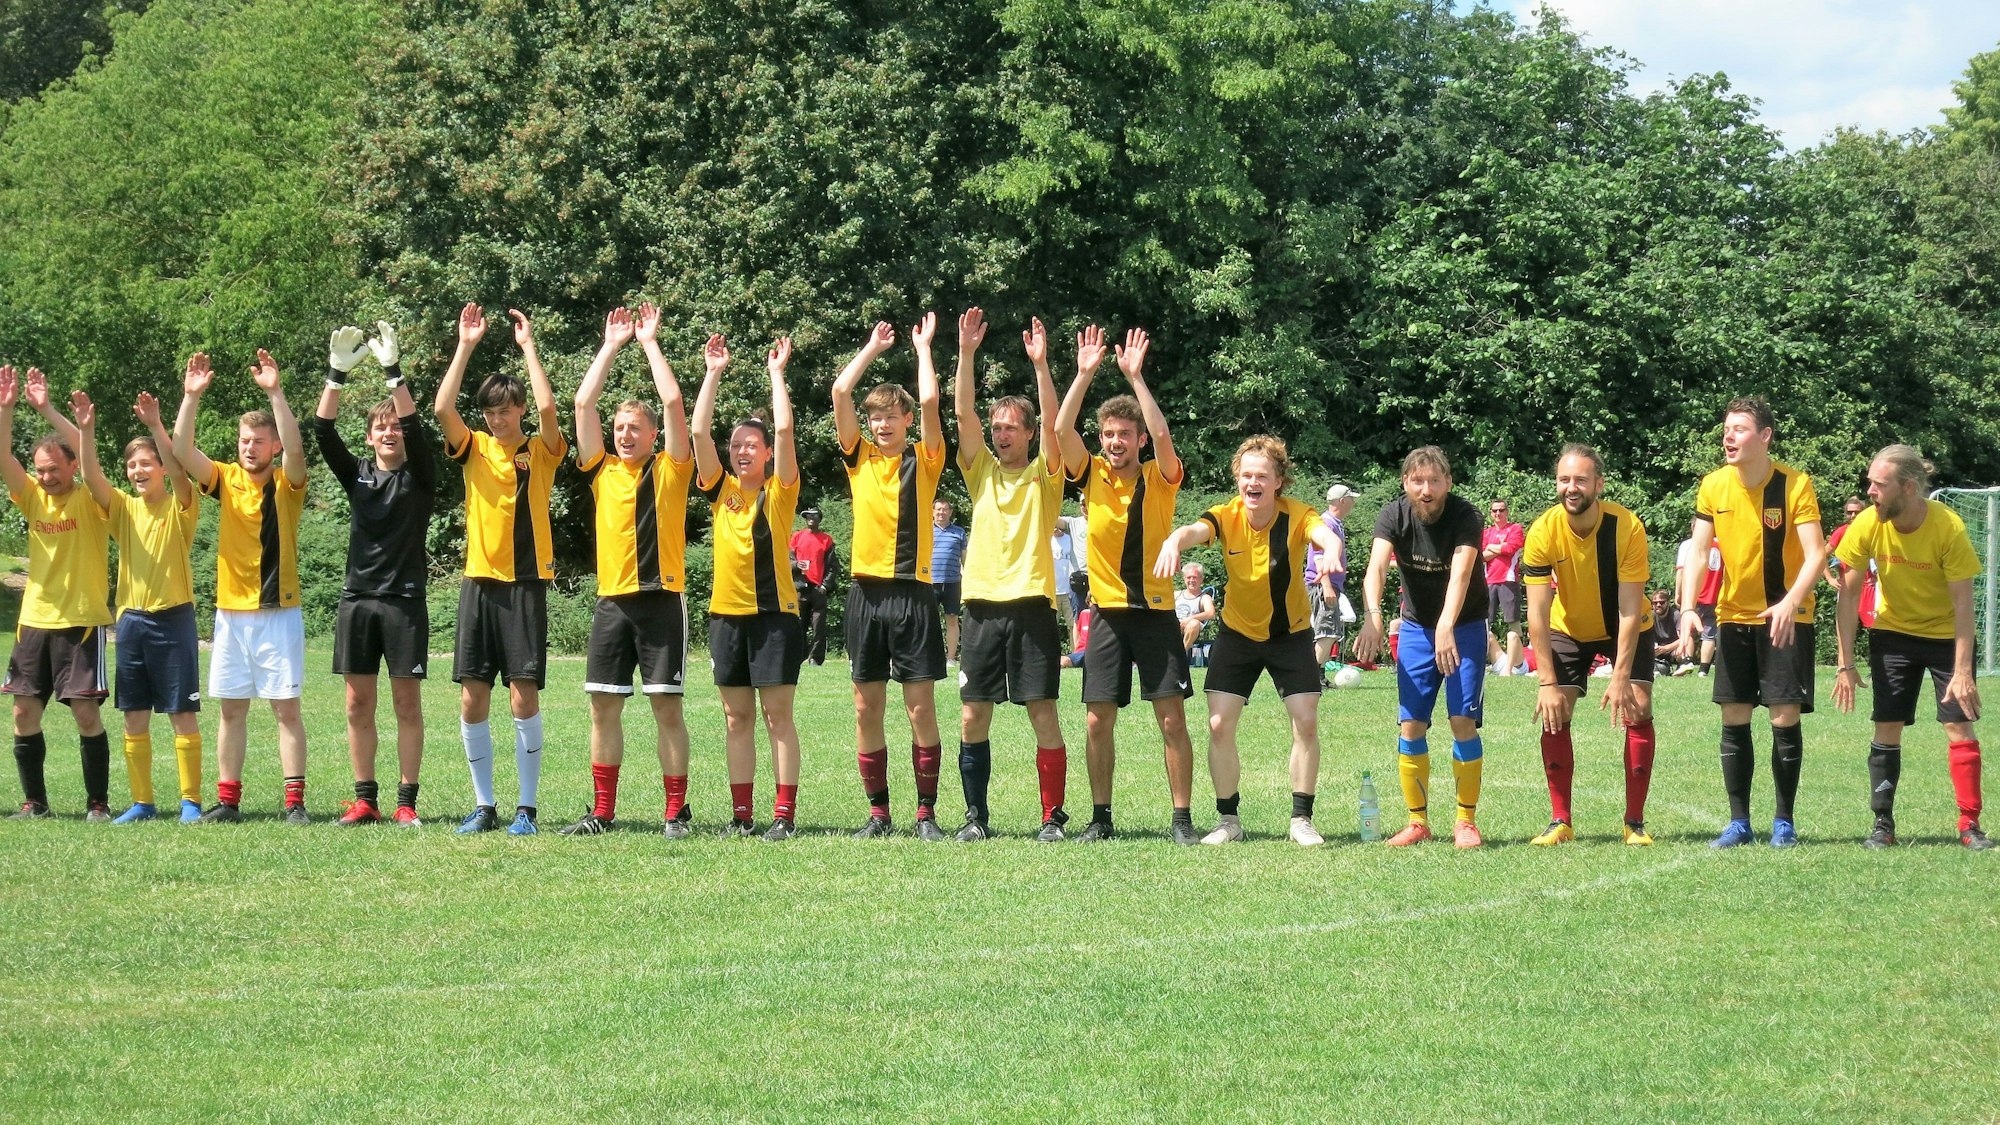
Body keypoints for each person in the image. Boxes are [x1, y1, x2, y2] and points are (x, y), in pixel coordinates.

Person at [1155, 436, 1345, 847]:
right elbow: (1195, 529)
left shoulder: (1298, 515)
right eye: (1246, 476)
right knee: (1219, 724)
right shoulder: (1227, 516)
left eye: (1262, 476)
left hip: (1290, 634)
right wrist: (1173, 540)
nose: (1252, 483)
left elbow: (1324, 534)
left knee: (1306, 722)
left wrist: (1332, 549)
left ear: (1279, 481)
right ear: (1237, 480)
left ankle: (1301, 819)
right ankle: (1228, 819)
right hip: (1237, 634)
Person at [1055, 325, 1199, 845]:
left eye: (1124, 435)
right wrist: (1084, 371)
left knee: (1171, 720)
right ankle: (1101, 817)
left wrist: (1135, 378)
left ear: (1137, 439)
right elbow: (1060, 428)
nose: (1115, 443)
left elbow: (1163, 437)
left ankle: (1181, 820)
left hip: (1157, 614)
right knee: (1097, 722)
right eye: (1108, 435)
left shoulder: (1160, 478)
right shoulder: (1090, 473)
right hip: (1109, 616)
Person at [561, 305, 695, 838]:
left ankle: (675, 812)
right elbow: (581, 402)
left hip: (661, 599)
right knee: (603, 711)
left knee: (666, 709)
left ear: (653, 434)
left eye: (634, 428)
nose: (623, 435)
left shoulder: (671, 468)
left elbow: (673, 400)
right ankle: (602, 811)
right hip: (612, 602)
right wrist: (611, 344)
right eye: (618, 428)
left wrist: (649, 343)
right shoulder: (603, 470)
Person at [434, 303, 566, 836]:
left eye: (505, 409)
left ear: (519, 411)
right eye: (490, 411)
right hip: (479, 584)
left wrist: (528, 346)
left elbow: (551, 407)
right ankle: (484, 805)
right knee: (472, 694)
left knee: (522, 692)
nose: (497, 417)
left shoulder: (542, 448)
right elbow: (443, 408)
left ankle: (527, 809)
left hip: (526, 584)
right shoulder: (476, 449)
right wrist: (465, 345)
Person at [1676, 396, 1826, 849]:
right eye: (1726, 428)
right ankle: (1738, 821)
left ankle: (1784, 821)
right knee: (1734, 714)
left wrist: (1790, 602)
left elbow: (1817, 554)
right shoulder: (1713, 486)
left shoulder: (1796, 485)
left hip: (1787, 617)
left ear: (1765, 437)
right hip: (1733, 617)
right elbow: (1699, 552)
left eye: (1739, 428)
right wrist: (1687, 609)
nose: (1728, 436)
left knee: (1783, 715)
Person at [947, 308, 1070, 842]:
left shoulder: (1046, 476)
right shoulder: (980, 472)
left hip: (1031, 605)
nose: (999, 434)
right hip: (979, 607)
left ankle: (1052, 819)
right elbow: (963, 412)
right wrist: (967, 353)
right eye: (996, 428)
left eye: (1008, 428)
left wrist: (1041, 367)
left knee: (1041, 711)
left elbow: (1053, 423)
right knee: (973, 717)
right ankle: (976, 819)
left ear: (1026, 434)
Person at [173, 348, 311, 824]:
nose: (249, 447)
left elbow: (296, 449)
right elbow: (181, 451)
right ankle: (228, 801)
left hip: (278, 613)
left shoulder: (287, 482)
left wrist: (276, 393)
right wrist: (190, 398)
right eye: (244, 440)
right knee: (231, 711)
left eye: (258, 440)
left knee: (285, 711)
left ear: (272, 446)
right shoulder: (226, 479)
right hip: (231, 614)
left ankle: (295, 804)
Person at [1831, 445, 1992, 850]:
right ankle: (1882, 825)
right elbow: (1847, 598)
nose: (1869, 491)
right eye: (1870, 482)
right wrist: (1845, 663)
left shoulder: (1948, 527)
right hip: (1893, 635)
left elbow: (1962, 604)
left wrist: (1962, 671)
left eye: (1878, 484)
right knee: (1887, 725)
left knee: (1959, 724)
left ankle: (1969, 825)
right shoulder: (1867, 523)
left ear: (1907, 487)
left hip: (1945, 637)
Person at [313, 321, 433, 827]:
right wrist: (336, 375)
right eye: (379, 428)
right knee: (357, 704)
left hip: (404, 601)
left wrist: (392, 373)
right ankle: (365, 799)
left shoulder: (421, 475)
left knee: (407, 704)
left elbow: (418, 430)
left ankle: (406, 804)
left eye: (395, 428)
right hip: (357, 599)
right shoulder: (357, 473)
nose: (389, 433)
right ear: (369, 437)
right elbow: (321, 431)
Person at [832, 317, 947, 839]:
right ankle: (879, 813)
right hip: (865, 595)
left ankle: (926, 813)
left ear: (905, 421)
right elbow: (839, 389)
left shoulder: (924, 460)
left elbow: (930, 405)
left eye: (890, 417)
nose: (881, 426)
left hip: (913, 595)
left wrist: (922, 348)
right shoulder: (859, 460)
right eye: (875, 418)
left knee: (919, 706)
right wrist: (872, 348)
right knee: (866, 706)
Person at [74, 382, 203, 824]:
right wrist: (85, 432)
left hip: (174, 619)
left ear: (160, 469)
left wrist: (155, 426)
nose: (137, 470)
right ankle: (144, 803)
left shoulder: (180, 505)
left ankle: (190, 802)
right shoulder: (124, 510)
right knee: (133, 717)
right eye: (131, 464)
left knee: (182, 713)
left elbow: (182, 472)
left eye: (146, 463)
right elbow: (91, 478)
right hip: (130, 622)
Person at [694, 332, 805, 840]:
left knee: (775, 715)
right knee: (736, 717)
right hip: (726, 616)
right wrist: (713, 373)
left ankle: (782, 815)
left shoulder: (780, 493)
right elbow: (697, 433)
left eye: (750, 446)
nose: (742, 452)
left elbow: (784, 430)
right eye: (736, 445)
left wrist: (777, 374)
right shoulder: (721, 491)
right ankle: (742, 816)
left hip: (774, 617)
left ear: (765, 454)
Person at [1521, 444, 1658, 846]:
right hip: (1568, 627)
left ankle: (1634, 823)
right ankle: (1560, 821)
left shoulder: (1627, 526)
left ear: (1598, 483)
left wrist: (1619, 678)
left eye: (1580, 479)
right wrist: (1546, 683)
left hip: (1625, 626)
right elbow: (1536, 614)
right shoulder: (1543, 530)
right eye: (1564, 480)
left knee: (1638, 703)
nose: (1571, 487)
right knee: (1555, 710)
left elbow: (1630, 611)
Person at [1354, 446, 1490, 849]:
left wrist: (1447, 624)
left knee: (1461, 721)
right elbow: (1376, 567)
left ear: (1448, 482)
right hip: (1415, 628)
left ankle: (1465, 821)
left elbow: (1462, 574)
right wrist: (1373, 615)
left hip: (1463, 625)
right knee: (1411, 723)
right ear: (1405, 483)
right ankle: (1418, 822)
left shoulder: (1467, 516)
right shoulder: (1393, 515)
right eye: (1418, 481)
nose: (1426, 490)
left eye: (1434, 481)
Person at [0, 367, 112, 821]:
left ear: (71, 468)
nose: (46, 478)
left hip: (82, 621)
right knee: (24, 714)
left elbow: (90, 462)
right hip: (35, 621)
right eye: (40, 470)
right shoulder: (31, 497)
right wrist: (7, 409)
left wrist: (49, 410)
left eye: (54, 470)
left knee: (86, 715)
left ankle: (97, 804)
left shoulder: (90, 499)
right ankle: (35, 803)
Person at [1308, 483, 1355, 676]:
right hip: (1322, 585)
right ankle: (1313, 677)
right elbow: (1319, 557)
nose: (1353, 503)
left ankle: (1317, 675)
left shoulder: (1335, 523)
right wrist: (1326, 586)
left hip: (1328, 585)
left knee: (1329, 631)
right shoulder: (1326, 524)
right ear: (1342, 501)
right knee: (1326, 631)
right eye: (1351, 499)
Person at [789, 507, 839, 666]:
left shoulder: (826, 540)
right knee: (799, 626)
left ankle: (815, 659)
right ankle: (799, 656)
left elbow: (832, 567)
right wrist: (797, 565)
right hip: (800, 588)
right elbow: (786, 562)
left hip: (818, 589)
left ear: (819, 518)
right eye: (808, 516)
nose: (811, 518)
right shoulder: (796, 537)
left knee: (819, 628)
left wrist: (825, 586)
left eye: (814, 516)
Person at [1483, 497, 1526, 675]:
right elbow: (1482, 556)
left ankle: (1518, 663)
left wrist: (1493, 549)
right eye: (1495, 511)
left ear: (1507, 512)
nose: (1498, 514)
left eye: (1501, 510)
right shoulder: (1486, 533)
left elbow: (1511, 549)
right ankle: (1486, 662)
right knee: (1485, 623)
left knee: (1513, 622)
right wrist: (1499, 547)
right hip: (1489, 581)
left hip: (1508, 580)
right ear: (1491, 514)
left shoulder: (1515, 529)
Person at [1674, 534, 1724, 676]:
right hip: (1714, 596)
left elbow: (1681, 571)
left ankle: (1687, 661)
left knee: (1685, 629)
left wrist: (1678, 594)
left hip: (1693, 595)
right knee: (1709, 634)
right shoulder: (1721, 545)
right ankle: (1703, 670)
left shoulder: (1689, 544)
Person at [1825, 494, 1877, 629]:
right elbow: (1820, 556)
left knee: (1874, 629)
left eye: (1857, 512)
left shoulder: (1872, 529)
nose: (1853, 516)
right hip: (1847, 588)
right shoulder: (1841, 532)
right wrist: (1830, 578)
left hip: (1870, 588)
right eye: (1849, 512)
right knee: (1844, 629)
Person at [931, 499, 969, 664]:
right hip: (929, 582)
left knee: (952, 620)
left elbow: (965, 560)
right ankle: (929, 656)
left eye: (945, 510)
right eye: (938, 510)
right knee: (927, 621)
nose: (941, 513)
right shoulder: (925, 530)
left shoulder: (959, 532)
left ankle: (951, 658)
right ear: (933, 511)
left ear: (950, 512)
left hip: (952, 582)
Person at [1051, 517, 1082, 647]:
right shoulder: (1048, 540)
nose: (1056, 529)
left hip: (1069, 590)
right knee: (1052, 627)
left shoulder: (1070, 539)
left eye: (1058, 527)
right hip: (1053, 591)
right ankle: (1054, 655)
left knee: (1073, 624)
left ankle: (1075, 655)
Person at [1174, 563, 1216, 654]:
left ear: (1201, 579)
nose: (1191, 580)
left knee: (1194, 623)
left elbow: (1211, 613)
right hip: (1173, 625)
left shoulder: (1204, 598)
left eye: (1195, 577)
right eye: (1189, 577)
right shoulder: (1176, 595)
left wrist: (1189, 619)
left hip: (1190, 629)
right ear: (1184, 579)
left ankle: (1181, 653)